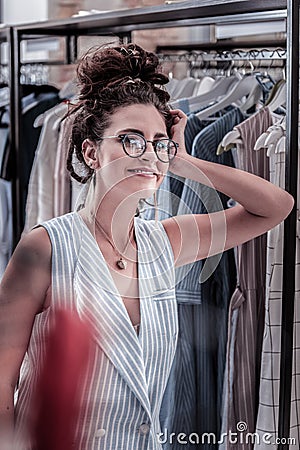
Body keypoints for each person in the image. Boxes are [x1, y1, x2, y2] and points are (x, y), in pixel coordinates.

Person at [0, 43, 294, 450]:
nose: (148, 154)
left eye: (158, 141)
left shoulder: (166, 241)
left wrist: (185, 162)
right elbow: (2, 385)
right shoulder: (46, 247)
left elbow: (275, 208)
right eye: (130, 140)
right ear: (92, 152)